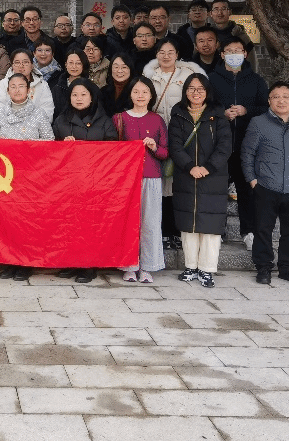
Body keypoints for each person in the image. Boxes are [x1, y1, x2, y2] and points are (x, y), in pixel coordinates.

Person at [241, 82, 289, 287]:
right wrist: (253, 180)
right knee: (262, 230)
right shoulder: (258, 123)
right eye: (276, 97)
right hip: (266, 186)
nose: (281, 101)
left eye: (286, 96)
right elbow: (247, 154)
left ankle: (288, 269)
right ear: (269, 101)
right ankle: (263, 268)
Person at [169, 73, 232, 288]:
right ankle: (190, 266)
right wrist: (190, 166)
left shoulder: (218, 115)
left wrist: (207, 168)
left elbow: (225, 146)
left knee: (211, 227)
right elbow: (175, 145)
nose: (196, 93)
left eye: (200, 89)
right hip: (186, 176)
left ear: (207, 92)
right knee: (188, 225)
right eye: (191, 88)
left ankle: (206, 269)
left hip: (213, 177)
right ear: (185, 91)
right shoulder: (178, 114)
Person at [53, 77, 118, 284]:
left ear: (92, 97)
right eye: (74, 95)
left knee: (90, 225)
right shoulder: (61, 120)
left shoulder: (104, 121)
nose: (79, 98)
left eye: (83, 94)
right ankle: (70, 262)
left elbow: (113, 151)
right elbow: (50, 152)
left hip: (95, 182)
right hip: (68, 182)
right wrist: (62, 145)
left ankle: (88, 265)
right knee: (68, 223)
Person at [0, 73, 54, 281]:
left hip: (31, 177)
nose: (17, 90)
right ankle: (9, 260)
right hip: (7, 176)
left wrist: (28, 150)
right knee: (7, 220)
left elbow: (49, 142)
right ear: (7, 90)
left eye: (21, 86)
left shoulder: (39, 114)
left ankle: (26, 262)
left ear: (29, 90)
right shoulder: (0, 114)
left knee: (27, 221)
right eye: (13, 86)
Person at [144, 37, 206, 250]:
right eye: (162, 52)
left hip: (183, 135)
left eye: (171, 52)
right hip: (157, 136)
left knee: (179, 184)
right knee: (161, 184)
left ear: (177, 55)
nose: (166, 56)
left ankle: (179, 231)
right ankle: (163, 231)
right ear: (156, 55)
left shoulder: (187, 75)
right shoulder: (149, 76)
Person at [209, 37, 270, 251]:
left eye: (238, 50)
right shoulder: (211, 79)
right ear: (222, 54)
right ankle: (217, 230)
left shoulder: (256, 81)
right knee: (217, 189)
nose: (234, 54)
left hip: (248, 145)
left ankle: (249, 232)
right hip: (219, 145)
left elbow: (266, 109)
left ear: (245, 54)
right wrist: (222, 113)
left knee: (247, 190)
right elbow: (204, 107)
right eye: (229, 50)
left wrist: (246, 111)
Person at [114, 76, 168, 283]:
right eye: (136, 91)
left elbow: (165, 152)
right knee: (128, 223)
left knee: (150, 223)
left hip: (151, 176)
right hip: (126, 180)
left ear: (151, 95)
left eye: (145, 92)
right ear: (130, 94)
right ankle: (129, 265)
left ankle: (147, 266)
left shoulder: (157, 120)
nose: (140, 95)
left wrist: (154, 147)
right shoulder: (119, 119)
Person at [0, 48, 55, 121]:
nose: (21, 66)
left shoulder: (42, 85)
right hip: (9, 126)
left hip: (36, 126)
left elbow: (47, 111)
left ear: (32, 65)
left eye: (25, 62)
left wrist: (30, 125)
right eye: (17, 62)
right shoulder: (3, 85)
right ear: (12, 66)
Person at [49, 50, 90, 118]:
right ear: (66, 64)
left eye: (78, 63)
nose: (74, 66)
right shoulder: (57, 88)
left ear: (83, 65)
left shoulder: (90, 87)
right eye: (71, 63)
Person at [100, 53, 133, 117]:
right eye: (116, 67)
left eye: (124, 67)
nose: (120, 71)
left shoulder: (136, 92)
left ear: (130, 69)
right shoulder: (103, 91)